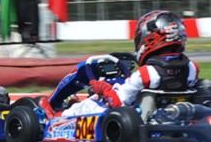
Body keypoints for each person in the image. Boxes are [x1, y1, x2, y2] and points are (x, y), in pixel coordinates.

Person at [60, 10, 200, 117]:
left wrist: (104, 88)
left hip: (140, 119)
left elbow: (118, 103)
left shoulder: (146, 73)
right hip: (177, 116)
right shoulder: (192, 69)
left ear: (148, 38)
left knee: (91, 104)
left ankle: (59, 117)